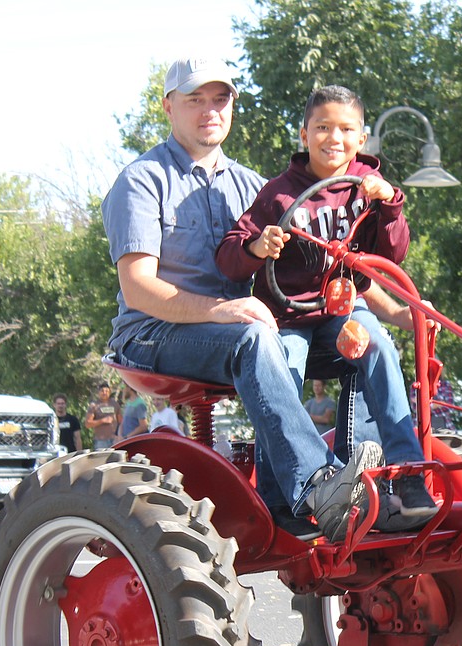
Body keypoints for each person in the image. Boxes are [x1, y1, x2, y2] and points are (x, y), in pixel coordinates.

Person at [101, 57, 387, 542]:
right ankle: (319, 486)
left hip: (240, 333)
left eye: (220, 98)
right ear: (168, 106)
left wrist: (399, 310)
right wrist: (222, 310)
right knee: (253, 338)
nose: (210, 110)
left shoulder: (255, 187)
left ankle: (368, 486)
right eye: (195, 99)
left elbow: (320, 266)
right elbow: (138, 288)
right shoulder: (142, 181)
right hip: (152, 335)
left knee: (362, 342)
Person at [215, 84, 436, 523]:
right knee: (281, 372)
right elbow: (229, 257)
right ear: (303, 134)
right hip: (289, 317)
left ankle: (404, 475)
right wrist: (257, 247)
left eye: (345, 129)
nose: (333, 138)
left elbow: (390, 257)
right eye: (322, 128)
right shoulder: (278, 194)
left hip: (341, 313)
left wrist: (390, 206)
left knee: (378, 348)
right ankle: (283, 502)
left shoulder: (368, 192)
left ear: (360, 139)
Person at [85, 382, 120, 450]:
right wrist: (102, 420)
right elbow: (88, 424)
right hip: (100, 441)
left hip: (115, 440)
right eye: (102, 391)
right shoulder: (94, 405)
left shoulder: (115, 404)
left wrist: (119, 436)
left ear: (109, 392)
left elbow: (121, 421)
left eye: (106, 391)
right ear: (98, 392)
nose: (104, 393)